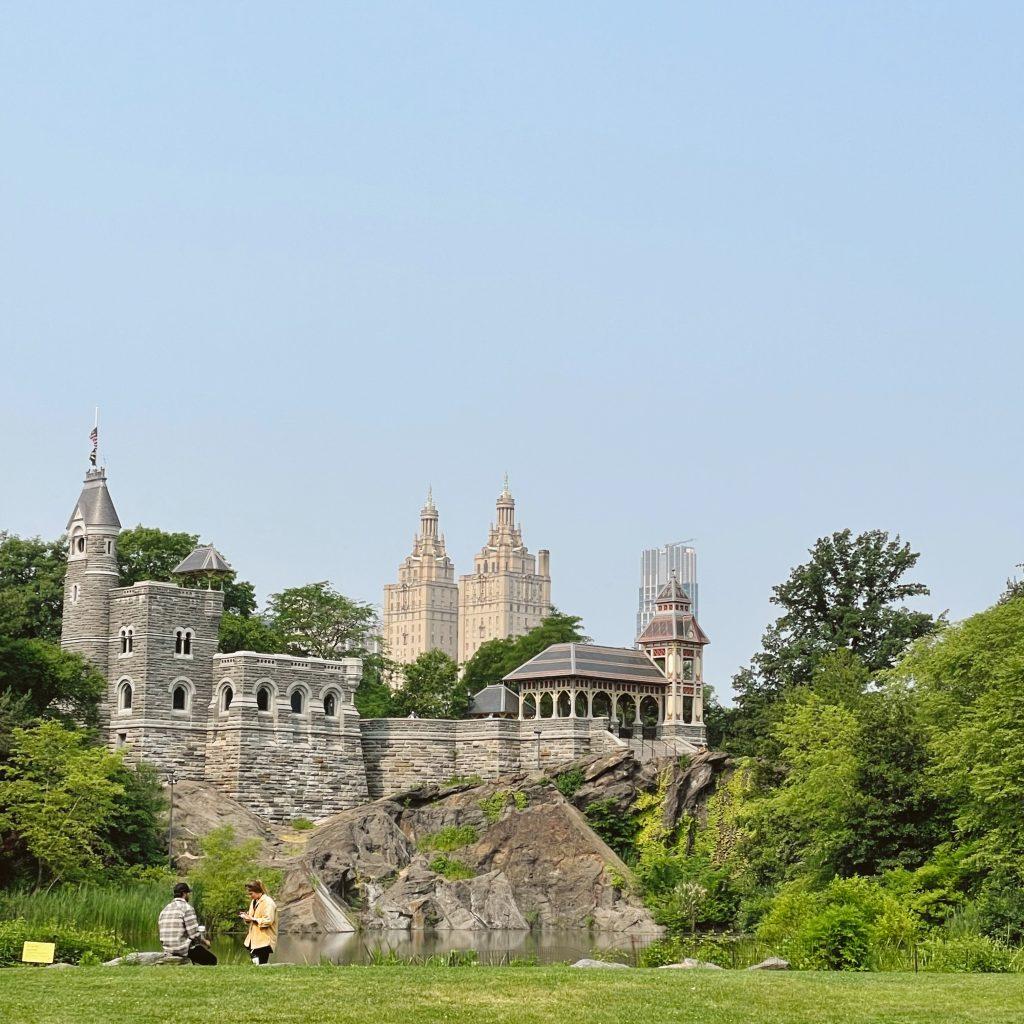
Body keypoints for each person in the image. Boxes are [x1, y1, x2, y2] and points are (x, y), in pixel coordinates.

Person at [158, 882, 217, 965]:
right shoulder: (187, 908)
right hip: (182, 949)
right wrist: (206, 942)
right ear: (184, 894)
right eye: (188, 893)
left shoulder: (165, 910)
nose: (189, 895)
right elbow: (194, 934)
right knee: (212, 960)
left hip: (167, 949)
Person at [240, 879, 278, 965]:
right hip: (254, 938)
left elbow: (268, 921)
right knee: (255, 960)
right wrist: (246, 917)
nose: (250, 896)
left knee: (262, 963)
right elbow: (251, 917)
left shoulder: (268, 902)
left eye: (251, 894)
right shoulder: (254, 901)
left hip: (264, 939)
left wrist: (253, 919)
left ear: (257, 891)